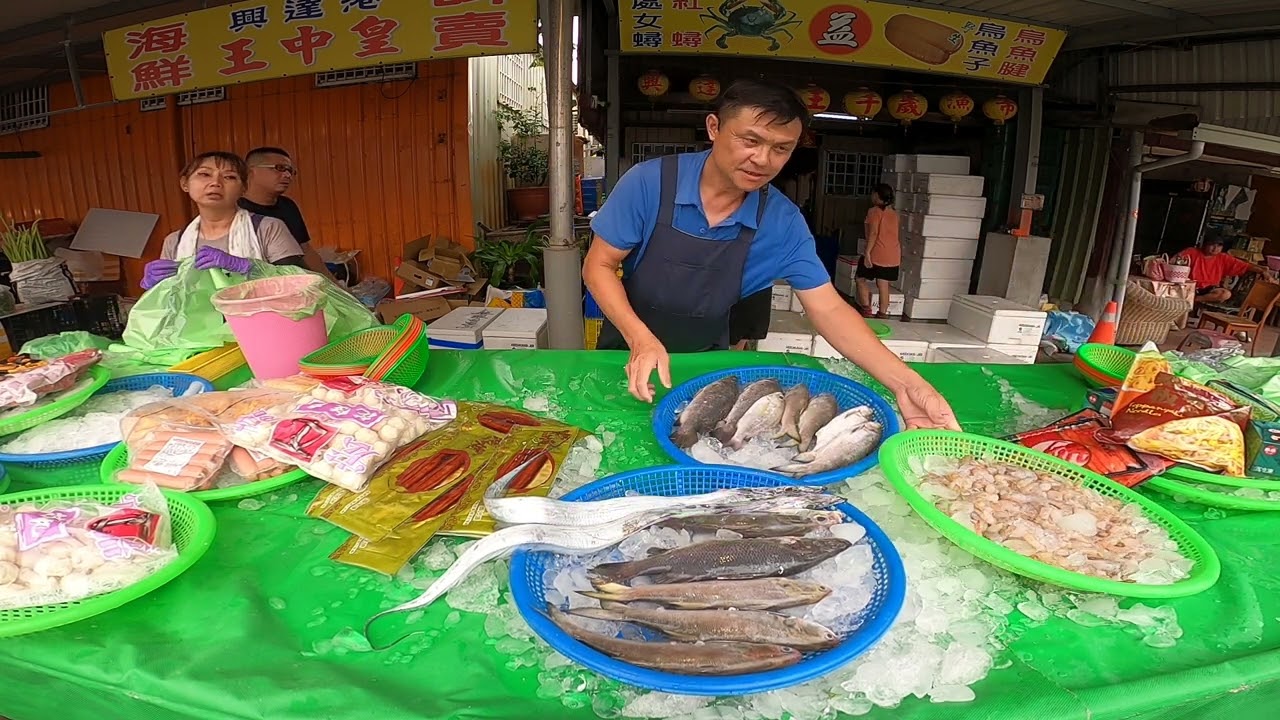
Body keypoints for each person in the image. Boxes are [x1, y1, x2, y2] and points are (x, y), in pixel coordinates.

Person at [583, 79, 959, 430]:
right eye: (750, 140)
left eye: (781, 149)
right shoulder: (650, 183)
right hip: (626, 349)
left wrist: (907, 383)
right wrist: (641, 338)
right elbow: (598, 265)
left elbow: (828, 308)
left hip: (706, 362)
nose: (763, 160)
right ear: (714, 128)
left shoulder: (781, 221)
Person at [139, 151, 306, 290]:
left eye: (229, 177)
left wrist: (248, 267)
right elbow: (169, 298)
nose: (215, 183)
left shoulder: (267, 228)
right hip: (196, 328)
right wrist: (154, 285)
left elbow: (300, 284)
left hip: (257, 325)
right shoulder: (175, 241)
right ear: (185, 184)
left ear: (243, 188)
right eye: (204, 174)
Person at [239, 146, 336, 280]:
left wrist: (335, 288)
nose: (287, 175)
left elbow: (305, 250)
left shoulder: (288, 206)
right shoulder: (235, 209)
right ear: (250, 172)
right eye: (279, 168)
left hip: (294, 284)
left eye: (290, 171)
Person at [1176, 236, 1273, 306]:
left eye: (1219, 246)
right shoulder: (1192, 252)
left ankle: (1193, 300)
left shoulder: (1223, 257)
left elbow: (1245, 266)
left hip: (1208, 290)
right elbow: (1175, 260)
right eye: (1212, 245)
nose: (1215, 248)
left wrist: (1262, 271)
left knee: (1225, 294)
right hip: (1188, 286)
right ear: (1205, 245)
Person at [856, 184, 901, 319]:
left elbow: (874, 233)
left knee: (860, 278)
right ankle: (882, 314)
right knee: (883, 284)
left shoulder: (874, 211)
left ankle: (866, 309)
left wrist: (868, 253)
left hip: (877, 252)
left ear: (877, 195)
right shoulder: (894, 213)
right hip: (893, 254)